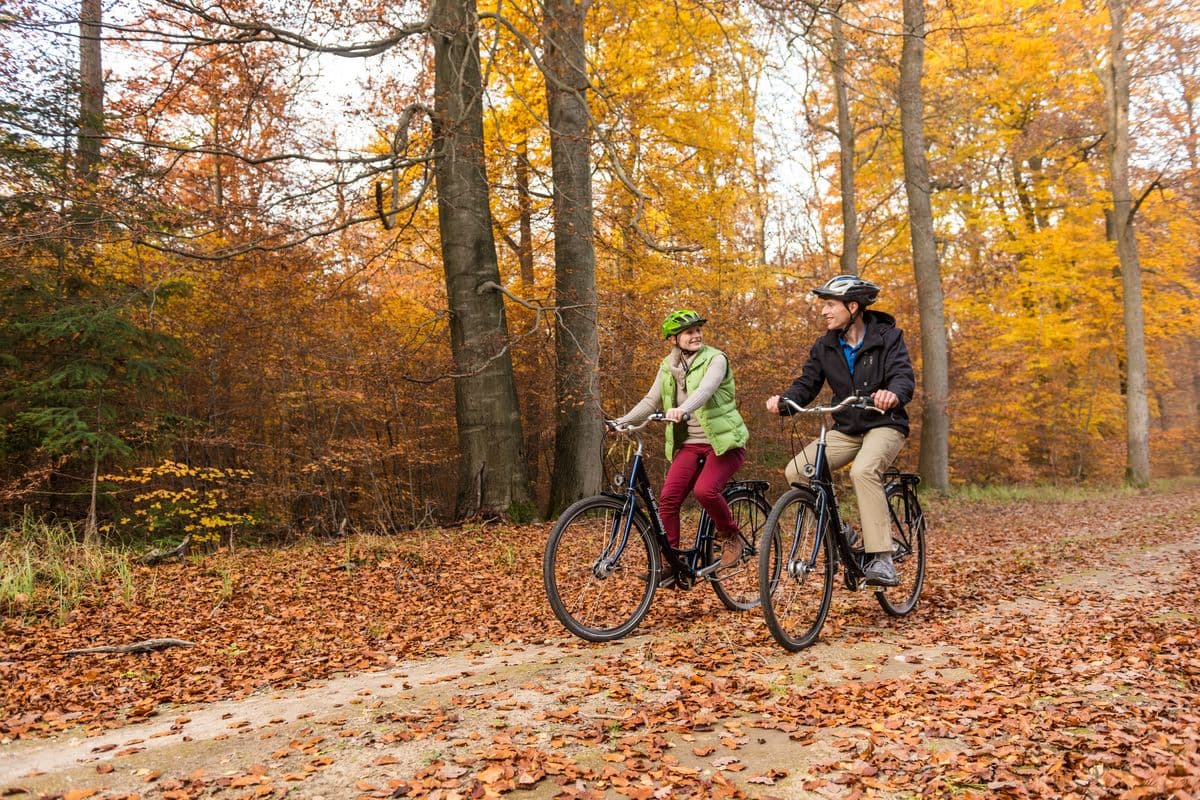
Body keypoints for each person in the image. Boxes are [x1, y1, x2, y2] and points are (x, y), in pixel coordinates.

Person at [765, 276, 915, 587]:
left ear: (853, 306)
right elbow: (807, 384)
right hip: (847, 428)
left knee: (862, 471)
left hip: (884, 423)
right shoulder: (825, 346)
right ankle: (843, 531)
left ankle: (883, 558)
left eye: (830, 305)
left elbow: (903, 375)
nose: (824, 312)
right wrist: (785, 401)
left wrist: (892, 395)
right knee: (798, 471)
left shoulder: (888, 337)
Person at [610, 310, 750, 582]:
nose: (696, 335)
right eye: (689, 332)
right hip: (690, 445)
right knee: (667, 500)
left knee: (705, 491)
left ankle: (732, 536)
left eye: (698, 330)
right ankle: (671, 561)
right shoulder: (667, 366)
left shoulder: (716, 359)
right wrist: (621, 421)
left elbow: (705, 390)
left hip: (723, 443)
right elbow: (651, 401)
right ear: (674, 339)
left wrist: (682, 409)